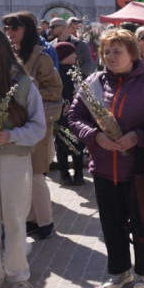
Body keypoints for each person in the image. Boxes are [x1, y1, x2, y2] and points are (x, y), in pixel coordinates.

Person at [68, 29, 144, 288]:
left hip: (139, 168)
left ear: (132, 53)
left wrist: (138, 136)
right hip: (104, 168)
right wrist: (96, 137)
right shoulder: (94, 83)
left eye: (117, 51)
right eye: (106, 52)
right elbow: (75, 117)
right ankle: (120, 271)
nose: (110, 56)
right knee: (111, 224)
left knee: (143, 222)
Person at [0, 26, 46, 288]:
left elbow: (38, 127)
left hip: (14, 160)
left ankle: (19, 278)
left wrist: (10, 136)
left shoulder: (22, 84)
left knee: (15, 221)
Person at [2, 12, 63, 240]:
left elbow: (55, 90)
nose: (9, 33)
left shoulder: (42, 56)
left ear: (26, 29)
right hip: (15, 123)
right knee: (23, 174)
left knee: (37, 173)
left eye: (14, 28)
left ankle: (46, 222)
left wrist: (28, 91)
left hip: (38, 121)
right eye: (7, 29)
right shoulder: (9, 54)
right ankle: (31, 220)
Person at [53, 42, 86, 186]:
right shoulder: (55, 72)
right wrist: (62, 103)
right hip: (62, 117)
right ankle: (64, 174)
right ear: (64, 56)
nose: (75, 55)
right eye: (72, 53)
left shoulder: (77, 71)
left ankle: (78, 174)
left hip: (77, 116)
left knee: (78, 143)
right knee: (62, 144)